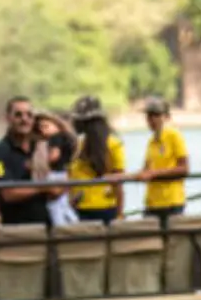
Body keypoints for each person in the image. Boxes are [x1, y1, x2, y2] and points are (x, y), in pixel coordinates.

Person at [0, 97, 62, 227]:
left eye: (29, 115)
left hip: (45, 225)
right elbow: (7, 193)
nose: (24, 119)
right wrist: (43, 188)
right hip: (16, 230)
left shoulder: (40, 148)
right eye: (18, 115)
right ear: (8, 118)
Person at [68, 96, 125, 225]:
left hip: (91, 208)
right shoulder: (80, 144)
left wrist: (120, 213)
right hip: (92, 207)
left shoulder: (111, 144)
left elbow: (118, 182)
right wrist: (120, 215)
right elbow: (119, 184)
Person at [136, 97, 189, 225]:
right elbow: (145, 170)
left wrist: (155, 174)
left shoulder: (174, 136)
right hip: (152, 202)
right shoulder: (151, 142)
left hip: (171, 201)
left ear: (165, 117)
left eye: (156, 115)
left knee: (172, 241)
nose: (152, 120)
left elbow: (184, 169)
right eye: (149, 116)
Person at [32, 111, 79, 227]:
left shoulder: (55, 138)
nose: (44, 131)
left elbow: (54, 155)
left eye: (46, 126)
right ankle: (73, 224)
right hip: (63, 173)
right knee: (63, 204)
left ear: (55, 124)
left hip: (55, 174)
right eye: (40, 128)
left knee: (54, 205)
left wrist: (44, 161)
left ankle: (60, 227)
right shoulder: (66, 138)